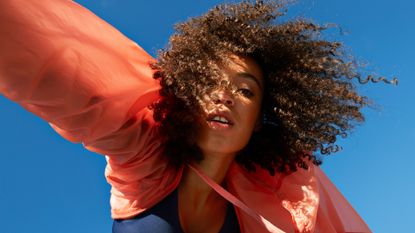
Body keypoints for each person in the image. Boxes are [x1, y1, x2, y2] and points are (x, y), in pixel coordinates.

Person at [1, 0, 394, 232]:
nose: (224, 96)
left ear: (259, 119)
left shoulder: (276, 200)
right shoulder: (142, 158)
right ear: (187, 98)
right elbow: (58, 62)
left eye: (244, 90)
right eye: (209, 84)